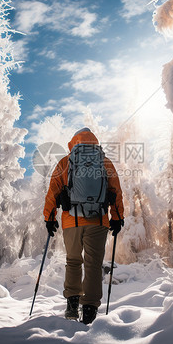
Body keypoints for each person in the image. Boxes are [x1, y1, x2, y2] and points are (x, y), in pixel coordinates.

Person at [43, 128, 124, 324]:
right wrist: (117, 217)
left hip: (72, 221)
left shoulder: (65, 162)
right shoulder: (104, 162)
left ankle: (72, 304)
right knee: (93, 265)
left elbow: (53, 191)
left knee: (73, 261)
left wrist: (49, 217)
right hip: (98, 220)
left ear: (73, 143)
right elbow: (116, 190)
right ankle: (89, 310)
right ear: (94, 142)